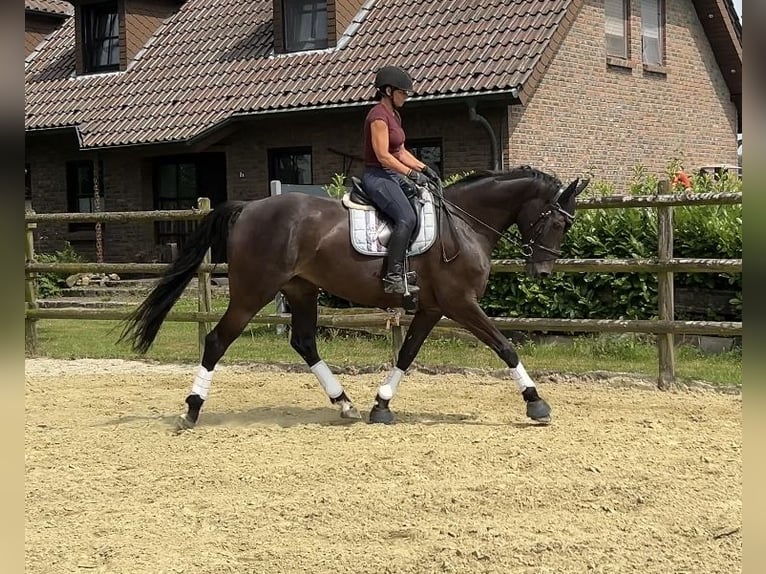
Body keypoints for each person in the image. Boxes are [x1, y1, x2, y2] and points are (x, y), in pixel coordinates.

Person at [362, 65, 441, 294]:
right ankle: (393, 276)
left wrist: (425, 169)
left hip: (391, 174)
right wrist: (410, 174)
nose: (406, 97)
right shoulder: (377, 116)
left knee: (421, 204)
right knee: (406, 217)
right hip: (377, 176)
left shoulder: (394, 115)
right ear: (388, 91)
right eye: (403, 92)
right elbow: (383, 155)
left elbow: (400, 151)